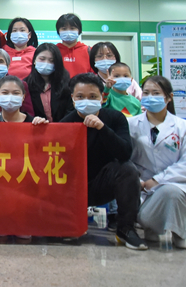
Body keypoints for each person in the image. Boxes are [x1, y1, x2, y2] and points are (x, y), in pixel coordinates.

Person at [60, 73, 146, 250]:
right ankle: (66, 223)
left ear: (102, 97)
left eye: (92, 96)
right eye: (80, 97)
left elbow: (125, 153)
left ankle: (125, 229)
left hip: (103, 184)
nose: (86, 100)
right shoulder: (65, 124)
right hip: (72, 188)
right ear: (73, 99)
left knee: (128, 170)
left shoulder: (116, 118)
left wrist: (102, 128)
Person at [130, 76, 186, 250]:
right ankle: (152, 227)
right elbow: (126, 158)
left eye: (156, 93)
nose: (150, 97)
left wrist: (157, 181)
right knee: (145, 215)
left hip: (175, 183)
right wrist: (138, 180)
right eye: (146, 93)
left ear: (169, 97)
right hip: (141, 186)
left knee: (170, 191)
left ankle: (179, 233)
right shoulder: (131, 124)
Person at [25, 43, 74, 123]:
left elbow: (71, 111)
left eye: (52, 61)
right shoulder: (26, 85)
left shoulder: (68, 84)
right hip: (37, 127)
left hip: (64, 127)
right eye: (42, 59)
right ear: (34, 60)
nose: (46, 63)